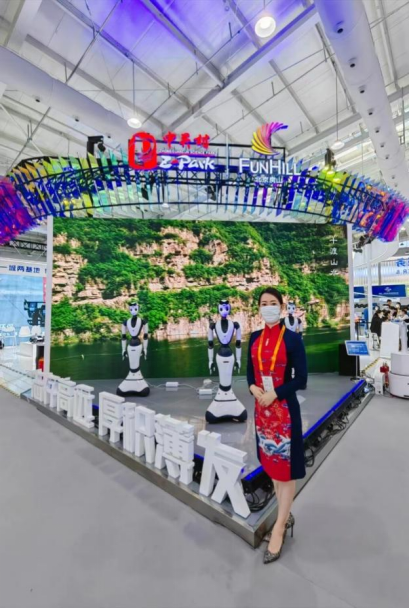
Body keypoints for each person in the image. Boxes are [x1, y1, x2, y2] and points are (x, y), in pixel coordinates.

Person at [247, 287, 307, 564]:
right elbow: (250, 373)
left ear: (281, 307)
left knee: (286, 471)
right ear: (258, 308)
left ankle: (280, 526)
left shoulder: (293, 339)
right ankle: (285, 513)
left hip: (284, 413)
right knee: (272, 466)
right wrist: (253, 388)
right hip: (263, 413)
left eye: (273, 303)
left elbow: (301, 380)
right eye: (263, 303)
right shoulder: (254, 338)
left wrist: (276, 393)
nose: (268, 307)